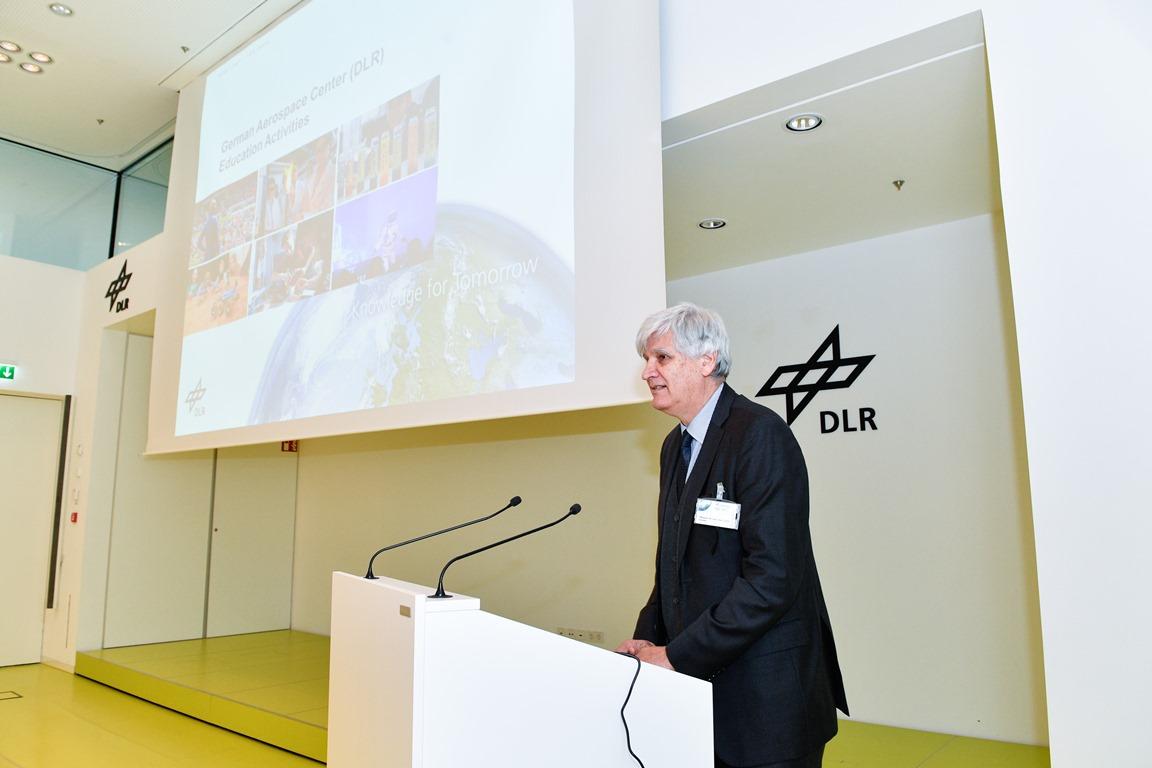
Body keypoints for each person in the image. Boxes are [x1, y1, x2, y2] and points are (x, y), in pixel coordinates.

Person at [616, 302, 848, 768]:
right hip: (700, 695)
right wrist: (646, 643)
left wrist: (677, 655)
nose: (647, 372)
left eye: (661, 358)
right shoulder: (674, 446)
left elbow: (772, 580)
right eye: (647, 359)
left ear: (707, 360)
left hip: (767, 701)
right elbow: (674, 565)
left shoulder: (760, 435)